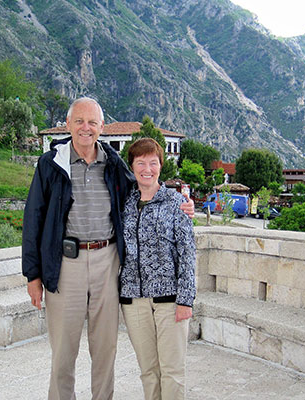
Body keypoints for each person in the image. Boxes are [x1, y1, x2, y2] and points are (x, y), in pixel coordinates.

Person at [22, 98, 193, 400]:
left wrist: (179, 201)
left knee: (105, 349)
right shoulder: (50, 165)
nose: (86, 128)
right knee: (63, 350)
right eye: (79, 121)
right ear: (69, 125)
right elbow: (33, 217)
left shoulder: (114, 164)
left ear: (102, 127)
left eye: (92, 123)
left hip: (107, 262)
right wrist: (32, 275)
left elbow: (145, 183)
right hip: (65, 265)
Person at [120, 138, 196, 400]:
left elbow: (187, 255)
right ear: (131, 166)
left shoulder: (176, 203)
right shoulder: (124, 204)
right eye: (140, 162)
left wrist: (186, 300)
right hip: (133, 301)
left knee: (172, 370)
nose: (147, 169)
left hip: (170, 302)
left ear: (161, 166)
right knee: (147, 370)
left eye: (153, 162)